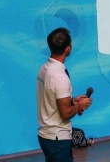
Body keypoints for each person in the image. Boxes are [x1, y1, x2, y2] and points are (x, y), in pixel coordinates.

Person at [37, 27, 92, 162]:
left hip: (48, 136)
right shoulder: (60, 77)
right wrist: (80, 106)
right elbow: (65, 113)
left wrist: (73, 101)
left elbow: (51, 99)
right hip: (57, 138)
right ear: (68, 48)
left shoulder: (44, 69)